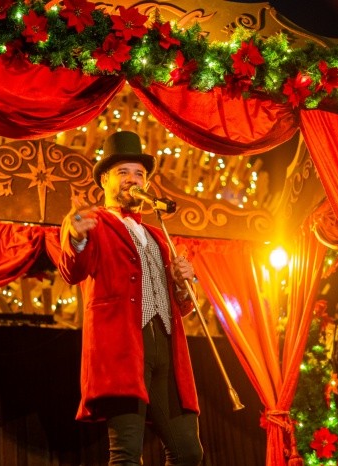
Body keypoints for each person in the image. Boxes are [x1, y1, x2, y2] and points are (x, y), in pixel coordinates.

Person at [57, 130, 203, 466]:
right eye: (123, 172)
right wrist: (77, 237)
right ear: (105, 180)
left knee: (188, 453)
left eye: (139, 174)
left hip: (166, 349)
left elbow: (182, 305)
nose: (132, 179)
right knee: (126, 455)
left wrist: (184, 282)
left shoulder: (158, 235)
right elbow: (72, 270)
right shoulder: (93, 222)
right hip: (122, 350)